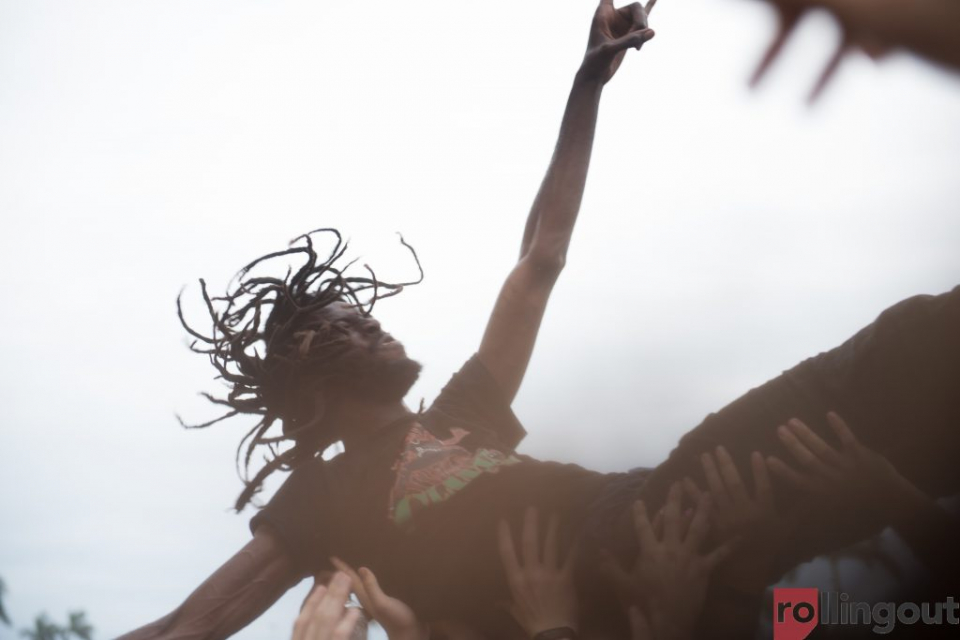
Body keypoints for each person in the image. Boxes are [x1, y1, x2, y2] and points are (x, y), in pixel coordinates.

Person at [120, 1, 658, 638]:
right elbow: (189, 625)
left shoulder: (463, 414)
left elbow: (538, 259)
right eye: (345, 328)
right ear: (311, 378)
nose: (371, 325)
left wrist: (586, 85)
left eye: (365, 316)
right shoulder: (324, 499)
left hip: (654, 506)